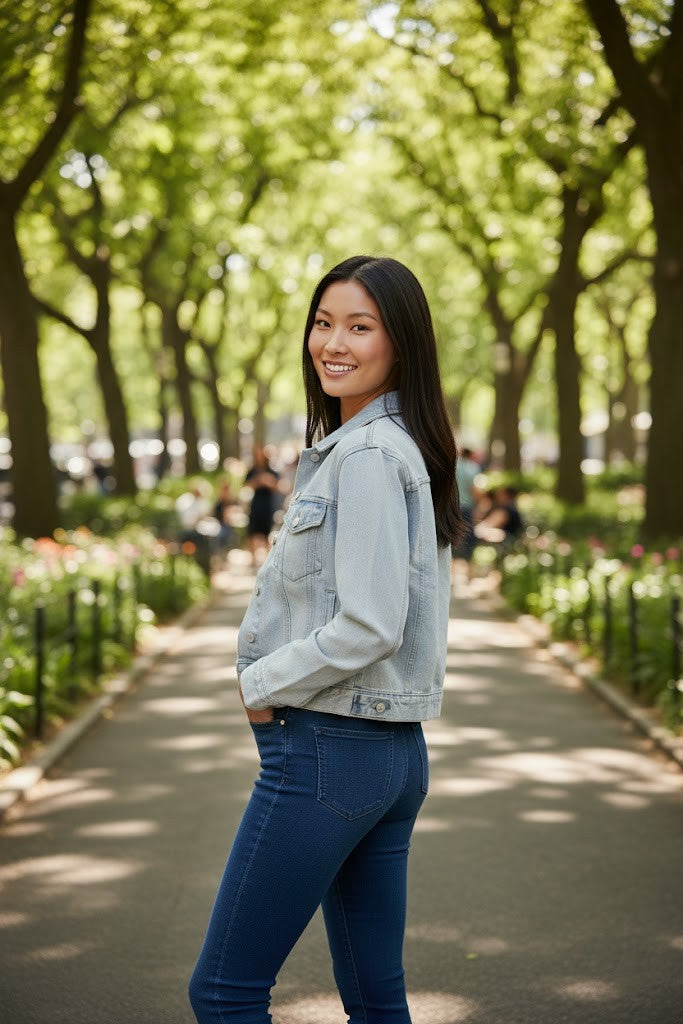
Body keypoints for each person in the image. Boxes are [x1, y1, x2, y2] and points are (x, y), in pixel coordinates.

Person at [189, 255, 463, 1024]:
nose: (332, 343)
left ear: (399, 343)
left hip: (328, 752)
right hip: (389, 754)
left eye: (359, 326)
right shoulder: (389, 445)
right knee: (377, 1001)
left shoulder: (371, 456)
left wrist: (260, 683)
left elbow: (371, 624)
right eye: (322, 322)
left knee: (224, 993)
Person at [244, 445, 280, 567]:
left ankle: (267, 561)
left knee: (266, 532)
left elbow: (278, 487)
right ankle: (253, 560)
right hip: (255, 504)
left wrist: (268, 482)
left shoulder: (271, 471)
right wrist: (257, 482)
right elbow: (246, 486)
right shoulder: (252, 471)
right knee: (253, 532)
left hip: (267, 504)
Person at [450, 446, 481, 585]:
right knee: (469, 539)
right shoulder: (473, 468)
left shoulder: (453, 465)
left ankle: (452, 574)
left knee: (452, 538)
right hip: (467, 508)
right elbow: (475, 489)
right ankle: (469, 574)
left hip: (452, 507)